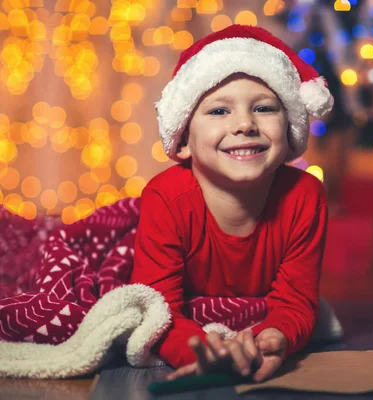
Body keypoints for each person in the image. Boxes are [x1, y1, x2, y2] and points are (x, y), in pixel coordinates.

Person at [129, 24, 334, 383]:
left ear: (290, 132)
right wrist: (199, 349)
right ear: (184, 140)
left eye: (265, 108)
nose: (244, 124)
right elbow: (157, 307)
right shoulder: (165, 197)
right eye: (219, 111)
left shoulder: (305, 197)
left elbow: (296, 300)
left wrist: (276, 337)